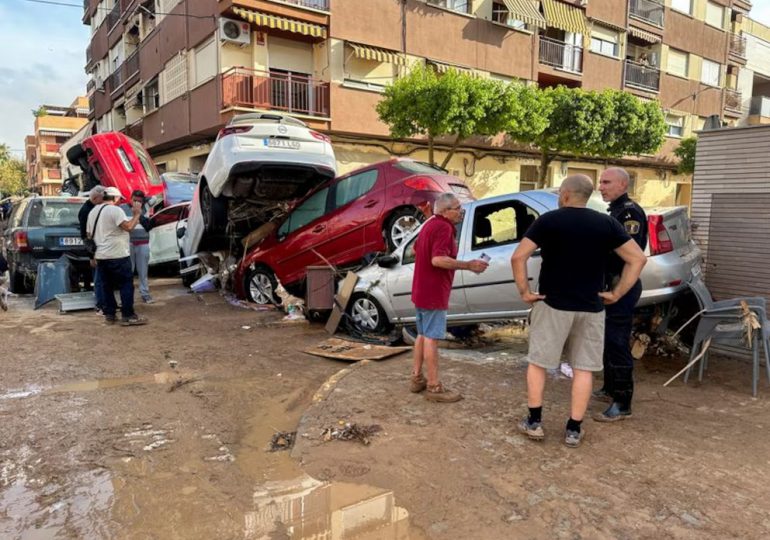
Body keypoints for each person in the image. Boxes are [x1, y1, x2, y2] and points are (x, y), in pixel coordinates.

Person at [511, 175, 646, 447]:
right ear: (587, 196)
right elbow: (637, 258)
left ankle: (535, 422)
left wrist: (525, 292)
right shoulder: (607, 223)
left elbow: (518, 256)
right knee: (583, 368)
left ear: (564, 195)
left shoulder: (549, 221)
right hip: (592, 307)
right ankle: (574, 429)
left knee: (539, 363)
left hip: (553, 304)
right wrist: (617, 293)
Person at [410, 193, 488, 402]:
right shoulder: (443, 227)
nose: (461, 211)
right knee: (431, 338)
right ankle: (434, 386)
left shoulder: (430, 224)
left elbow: (414, 249)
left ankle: (417, 378)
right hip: (434, 292)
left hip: (421, 289)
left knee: (423, 334)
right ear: (445, 211)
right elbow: (437, 259)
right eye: (457, 207)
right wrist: (469, 265)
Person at [593, 167, 648, 422]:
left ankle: (623, 402)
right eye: (600, 182)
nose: (601, 187)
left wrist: (616, 290)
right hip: (610, 284)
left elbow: (629, 255)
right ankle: (610, 388)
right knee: (607, 338)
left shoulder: (629, 212)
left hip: (622, 286)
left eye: (606, 182)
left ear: (623, 184)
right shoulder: (615, 209)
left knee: (617, 341)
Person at [86, 186, 147, 326]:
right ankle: (128, 315)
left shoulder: (93, 212)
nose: (120, 202)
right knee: (126, 285)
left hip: (101, 256)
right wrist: (137, 214)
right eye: (119, 199)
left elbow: (89, 235)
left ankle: (110, 315)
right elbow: (129, 227)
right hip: (118, 254)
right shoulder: (115, 210)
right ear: (114, 198)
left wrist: (93, 255)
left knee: (106, 286)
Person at [121, 189, 153, 304]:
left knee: (143, 271)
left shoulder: (146, 208)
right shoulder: (123, 208)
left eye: (139, 201)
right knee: (128, 272)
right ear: (130, 198)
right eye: (134, 200)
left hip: (143, 243)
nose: (136, 203)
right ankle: (127, 296)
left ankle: (145, 293)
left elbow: (149, 225)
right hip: (128, 243)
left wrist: (139, 211)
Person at [79, 186, 105, 311]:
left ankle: (103, 302)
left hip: (100, 247)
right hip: (95, 249)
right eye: (102, 197)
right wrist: (91, 255)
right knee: (98, 278)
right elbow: (85, 236)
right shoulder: (86, 211)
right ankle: (100, 304)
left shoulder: (93, 208)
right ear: (95, 197)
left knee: (101, 277)